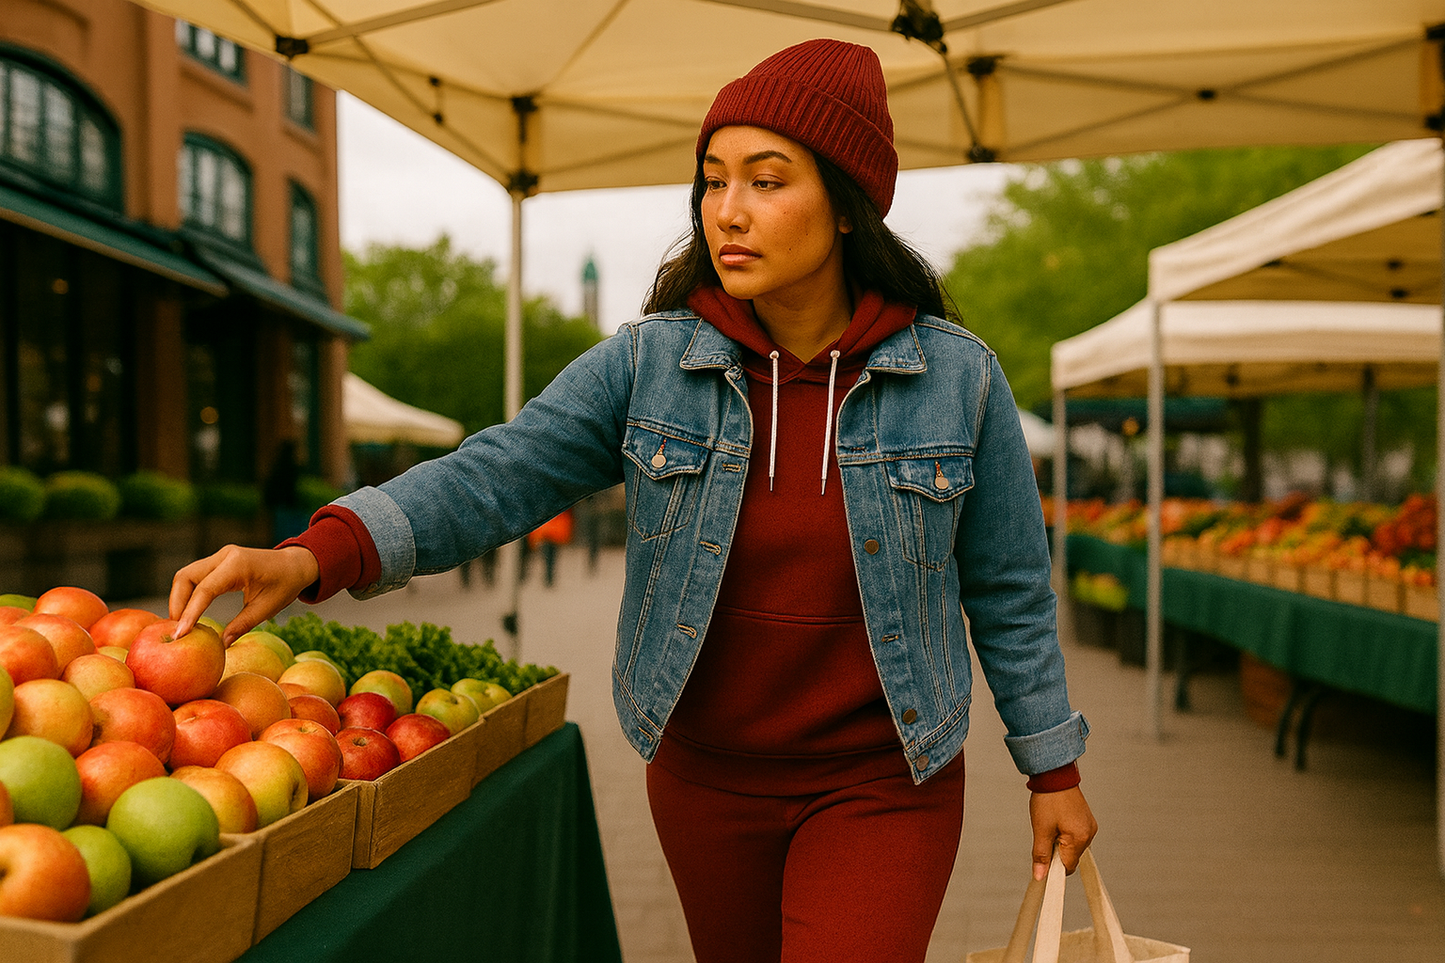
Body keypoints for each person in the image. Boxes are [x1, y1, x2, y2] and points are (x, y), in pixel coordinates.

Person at [170, 38, 1095, 963]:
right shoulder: (650, 364)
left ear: (848, 205)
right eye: (713, 179)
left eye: (766, 182)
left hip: (885, 781)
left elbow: (1010, 591)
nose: (727, 212)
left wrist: (1050, 767)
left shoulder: (956, 379)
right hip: (704, 780)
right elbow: (498, 472)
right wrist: (312, 553)